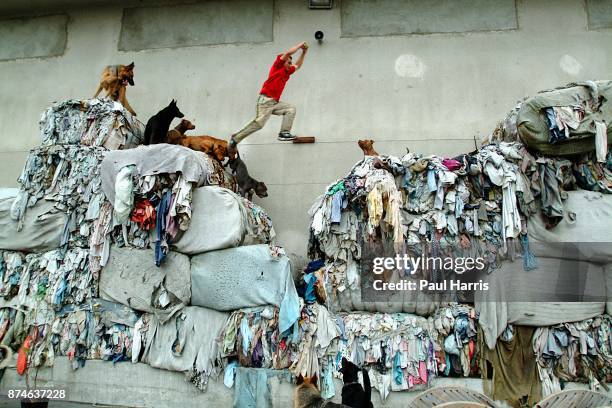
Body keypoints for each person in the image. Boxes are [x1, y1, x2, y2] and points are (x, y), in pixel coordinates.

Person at [228, 41, 308, 154]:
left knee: (291, 109)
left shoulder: (287, 71)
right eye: (288, 62)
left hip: (274, 103)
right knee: (259, 124)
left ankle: (284, 133)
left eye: (290, 63)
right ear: (283, 61)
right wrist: (300, 46)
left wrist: (304, 52)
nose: (290, 64)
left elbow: (298, 65)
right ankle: (235, 139)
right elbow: (289, 52)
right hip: (265, 101)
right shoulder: (278, 65)